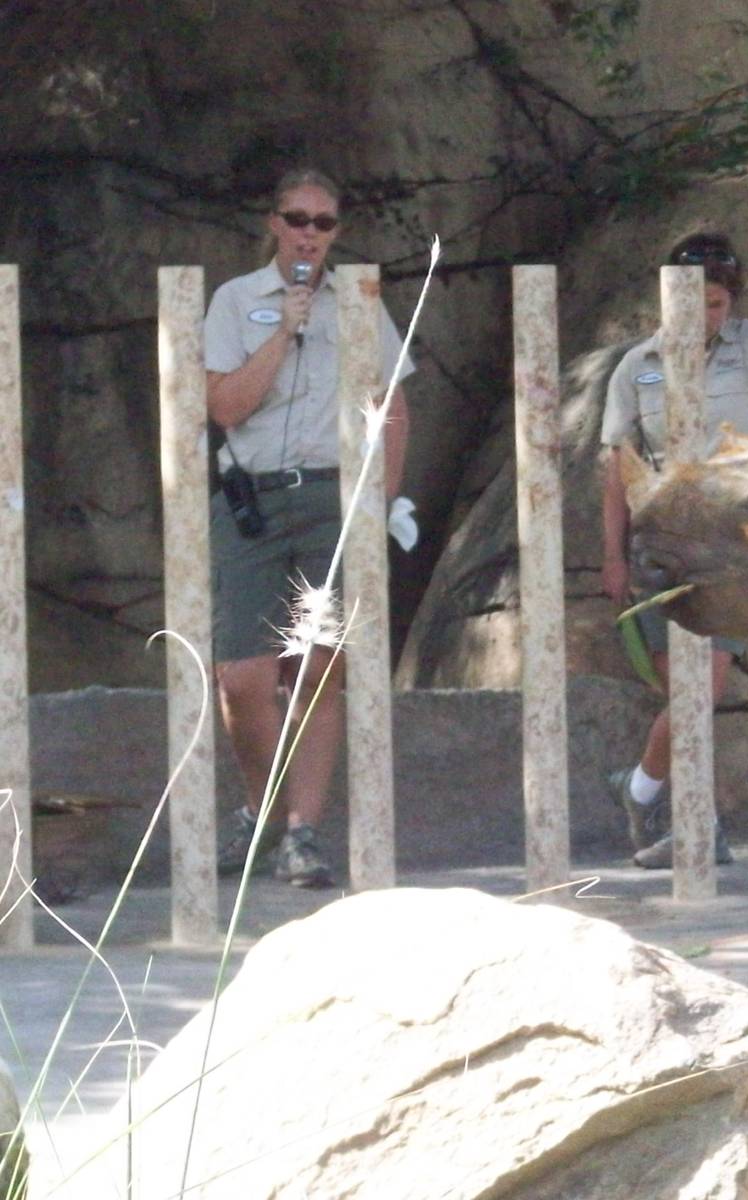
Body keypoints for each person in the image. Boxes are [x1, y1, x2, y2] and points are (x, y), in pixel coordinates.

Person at [599, 231, 748, 868]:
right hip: (662, 541)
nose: (704, 315)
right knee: (684, 694)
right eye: (692, 302)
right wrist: (613, 555)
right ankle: (691, 821)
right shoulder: (636, 365)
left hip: (731, 543)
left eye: (715, 302)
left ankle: (642, 791)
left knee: (699, 691)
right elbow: (618, 465)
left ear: (730, 302)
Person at [203, 166, 413, 887]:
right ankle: (262, 808)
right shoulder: (236, 301)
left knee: (318, 670)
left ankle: (301, 832)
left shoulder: (360, 303)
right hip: (253, 500)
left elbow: (392, 407)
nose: (309, 233)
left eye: (323, 223)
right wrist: (285, 330)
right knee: (243, 674)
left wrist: (383, 505)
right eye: (297, 218)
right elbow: (225, 406)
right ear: (274, 223)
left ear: (336, 232)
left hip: (333, 498)